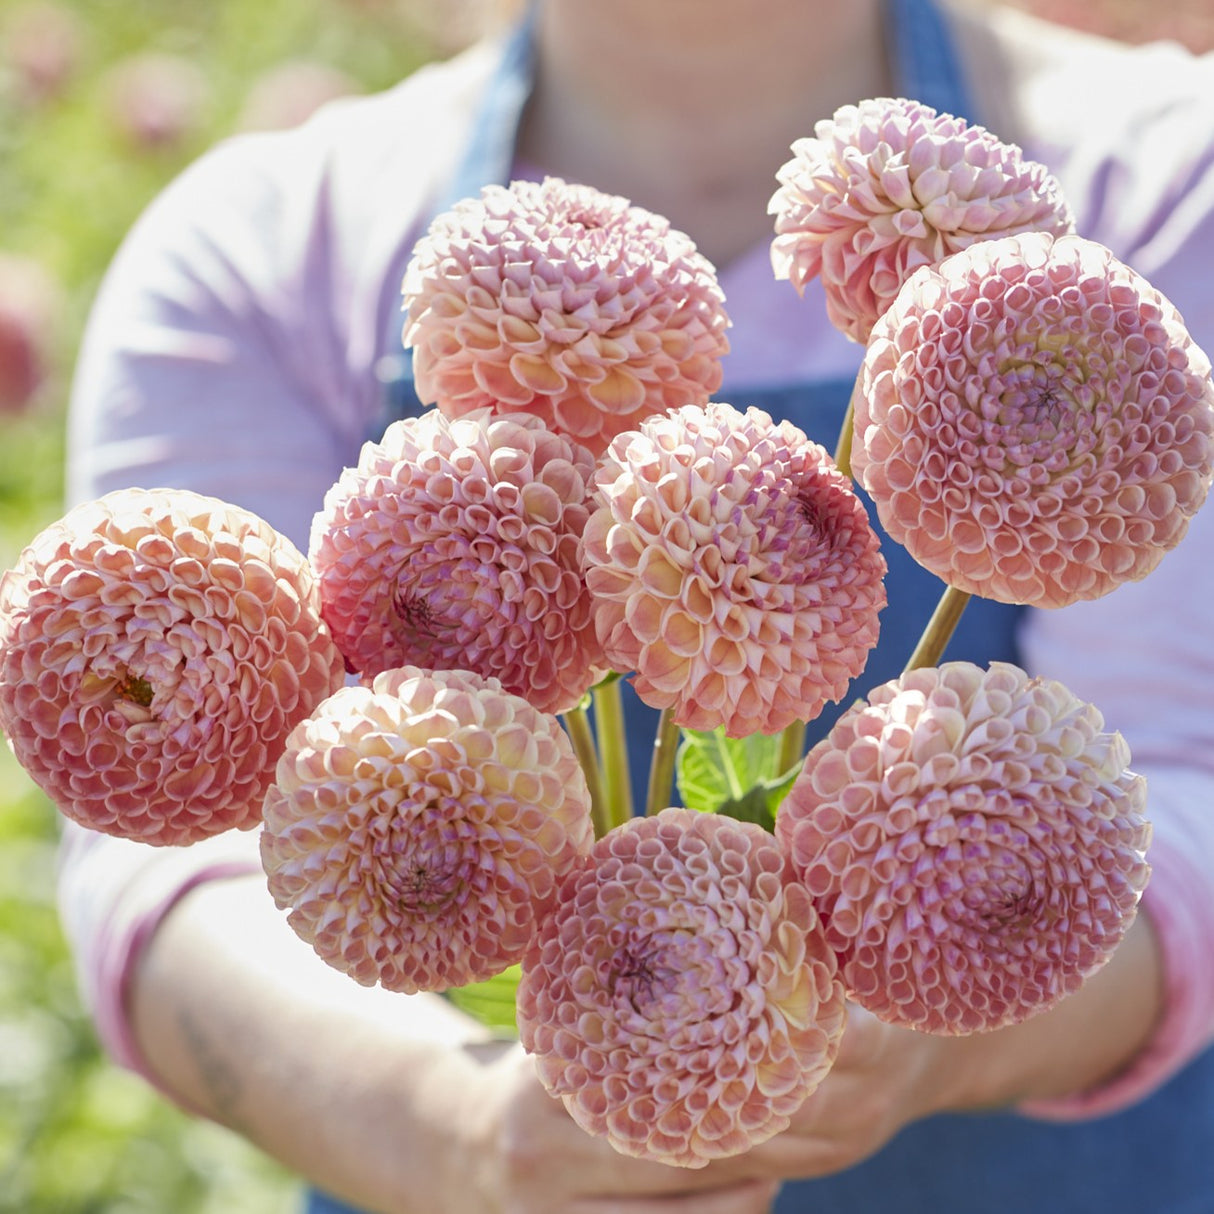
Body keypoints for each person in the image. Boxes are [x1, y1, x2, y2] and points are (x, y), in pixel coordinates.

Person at [54, 0, 1214, 1211]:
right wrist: (454, 1131)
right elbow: (167, 880)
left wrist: (906, 1026)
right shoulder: (260, 250)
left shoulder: (1164, 181)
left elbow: (1183, 773)